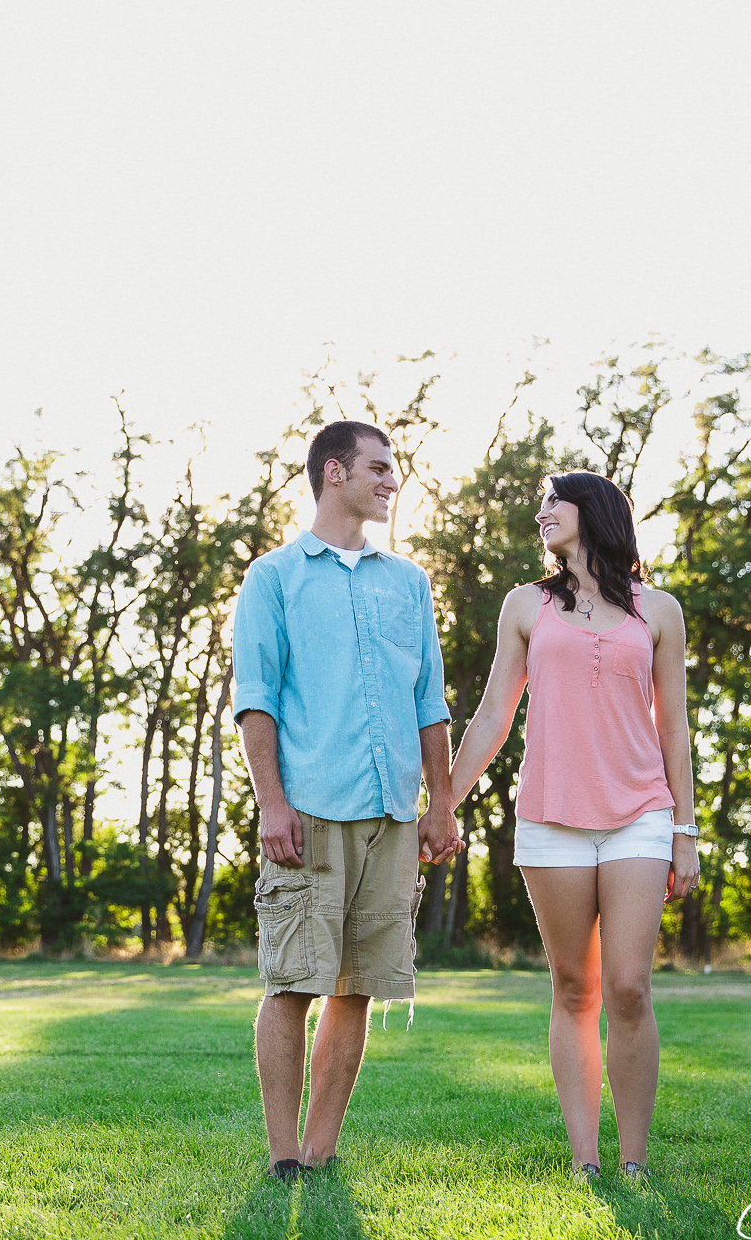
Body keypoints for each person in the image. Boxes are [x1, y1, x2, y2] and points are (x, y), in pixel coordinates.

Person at [446, 469, 697, 1183]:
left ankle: (634, 1158)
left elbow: (673, 727)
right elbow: (494, 714)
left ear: (594, 511)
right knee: (573, 985)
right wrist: (444, 803)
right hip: (551, 818)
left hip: (640, 815)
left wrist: (686, 829)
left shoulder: (660, 612)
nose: (541, 514)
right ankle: (586, 1157)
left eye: (553, 501)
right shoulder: (527, 605)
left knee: (627, 985)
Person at [230, 419, 462, 1180]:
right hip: (310, 805)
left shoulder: (410, 583)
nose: (392, 481)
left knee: (359, 987)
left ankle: (322, 1152)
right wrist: (272, 803)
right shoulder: (275, 577)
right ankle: (283, 1153)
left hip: (393, 811)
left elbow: (431, 701)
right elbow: (256, 700)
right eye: (379, 468)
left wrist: (442, 802)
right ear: (335, 472)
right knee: (293, 981)